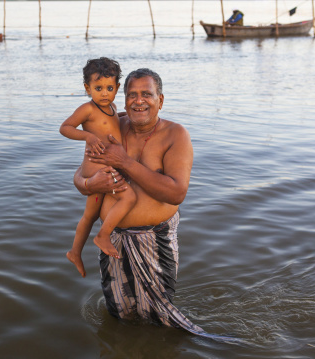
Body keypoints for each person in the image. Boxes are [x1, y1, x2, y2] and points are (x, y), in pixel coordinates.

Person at [72, 68, 208, 333]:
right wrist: (89, 184)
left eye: (147, 94)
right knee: (119, 313)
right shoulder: (111, 127)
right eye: (132, 94)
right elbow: (80, 174)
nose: (138, 100)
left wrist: (124, 162)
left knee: (159, 318)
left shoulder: (175, 135)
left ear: (161, 100)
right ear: (123, 101)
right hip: (111, 239)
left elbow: (176, 192)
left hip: (154, 240)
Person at [60, 58, 137, 278]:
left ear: (117, 89)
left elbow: (112, 123)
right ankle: (103, 236)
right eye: (98, 88)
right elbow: (64, 128)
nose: (104, 93)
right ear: (87, 88)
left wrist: (125, 117)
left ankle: (75, 252)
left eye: (109, 88)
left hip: (99, 171)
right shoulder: (87, 109)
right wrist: (88, 136)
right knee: (129, 198)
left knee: (89, 215)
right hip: (96, 171)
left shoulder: (111, 107)